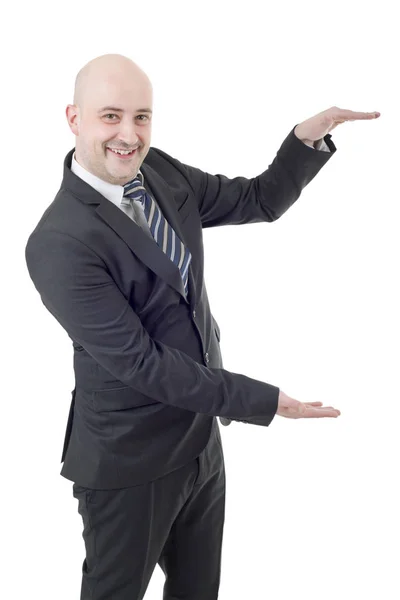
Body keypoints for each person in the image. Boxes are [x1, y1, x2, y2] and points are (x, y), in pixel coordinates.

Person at [24, 53, 380, 600]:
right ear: (74, 118)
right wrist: (263, 400)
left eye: (141, 117)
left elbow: (257, 199)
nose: (128, 134)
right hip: (129, 464)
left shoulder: (159, 172)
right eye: (110, 116)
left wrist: (305, 140)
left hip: (200, 443)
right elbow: (141, 363)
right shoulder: (58, 243)